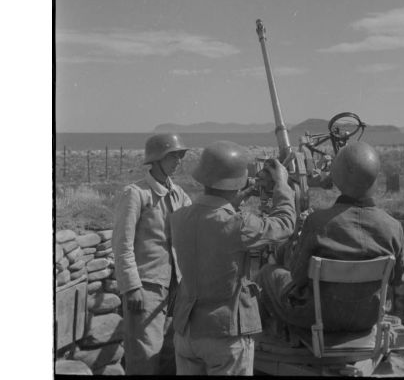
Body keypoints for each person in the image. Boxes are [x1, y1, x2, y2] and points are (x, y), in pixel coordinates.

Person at [169, 140, 296, 375]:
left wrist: (238, 196)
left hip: (186, 332)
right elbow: (285, 224)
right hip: (225, 335)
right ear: (237, 182)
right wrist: (282, 185)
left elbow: (212, 216)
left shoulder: (179, 218)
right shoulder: (240, 225)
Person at [257, 141, 404, 334]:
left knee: (267, 273)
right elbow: (398, 279)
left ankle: (265, 338)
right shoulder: (394, 227)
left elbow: (297, 276)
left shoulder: (317, 222)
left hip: (317, 317)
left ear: (335, 178)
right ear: (375, 180)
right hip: (369, 316)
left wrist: (295, 240)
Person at [112, 133, 191, 375]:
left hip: (175, 288)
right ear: (156, 159)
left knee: (169, 354)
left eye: (180, 155)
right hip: (145, 288)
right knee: (144, 356)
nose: (178, 161)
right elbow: (122, 244)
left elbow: (194, 222)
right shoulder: (136, 193)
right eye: (173, 156)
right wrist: (132, 286)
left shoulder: (178, 194)